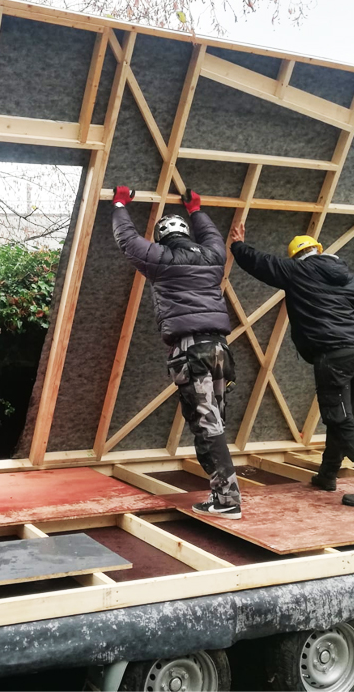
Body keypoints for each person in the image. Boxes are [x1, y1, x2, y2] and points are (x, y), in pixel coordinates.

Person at [227, 222, 354, 508]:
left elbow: (261, 263)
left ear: (296, 256)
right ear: (319, 251)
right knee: (343, 416)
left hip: (333, 354)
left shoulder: (297, 270)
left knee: (340, 419)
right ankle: (327, 475)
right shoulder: (350, 278)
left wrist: (238, 245)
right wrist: (351, 335)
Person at [111, 186, 241, 519]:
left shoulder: (160, 259)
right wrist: (196, 209)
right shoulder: (213, 258)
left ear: (162, 237)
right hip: (221, 351)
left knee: (206, 426)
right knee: (216, 425)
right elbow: (211, 235)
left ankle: (227, 501)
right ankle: (220, 494)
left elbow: (126, 239)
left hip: (191, 352)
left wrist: (120, 202)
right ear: (186, 233)